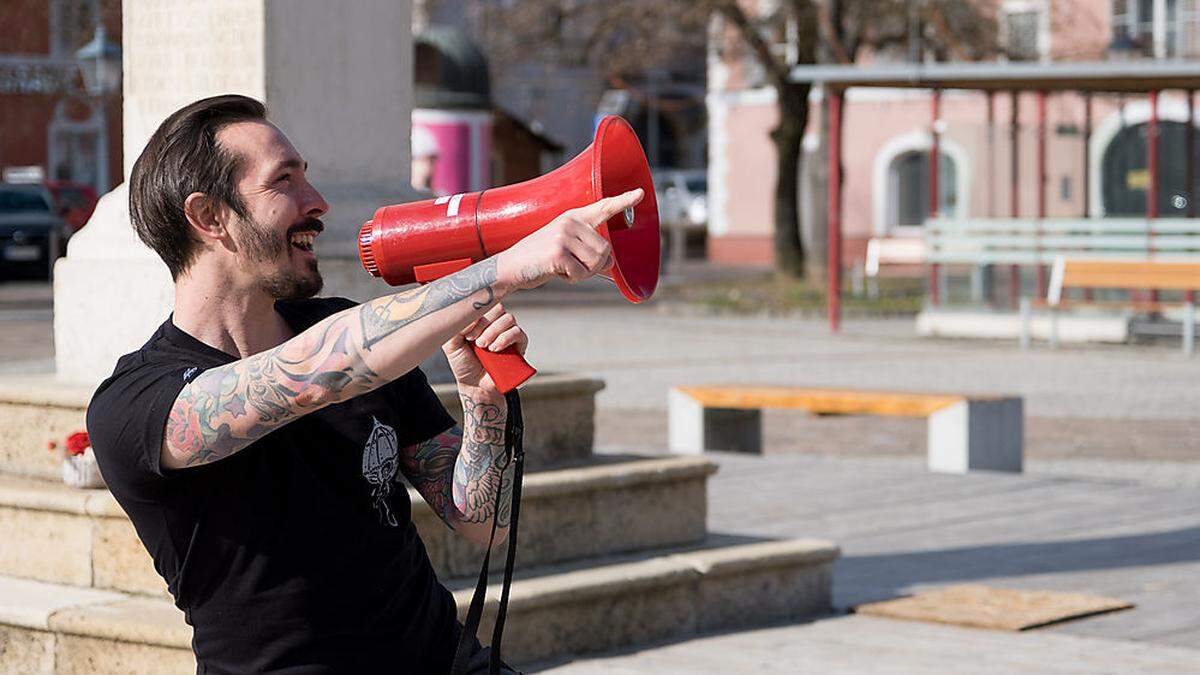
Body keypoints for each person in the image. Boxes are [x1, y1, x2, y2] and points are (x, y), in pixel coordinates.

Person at [86, 94, 642, 674]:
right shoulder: (137, 404)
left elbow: (483, 522)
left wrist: (483, 406)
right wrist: (504, 267)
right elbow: (310, 374)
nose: (318, 203)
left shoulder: (345, 328)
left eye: (308, 176)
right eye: (284, 181)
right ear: (208, 217)